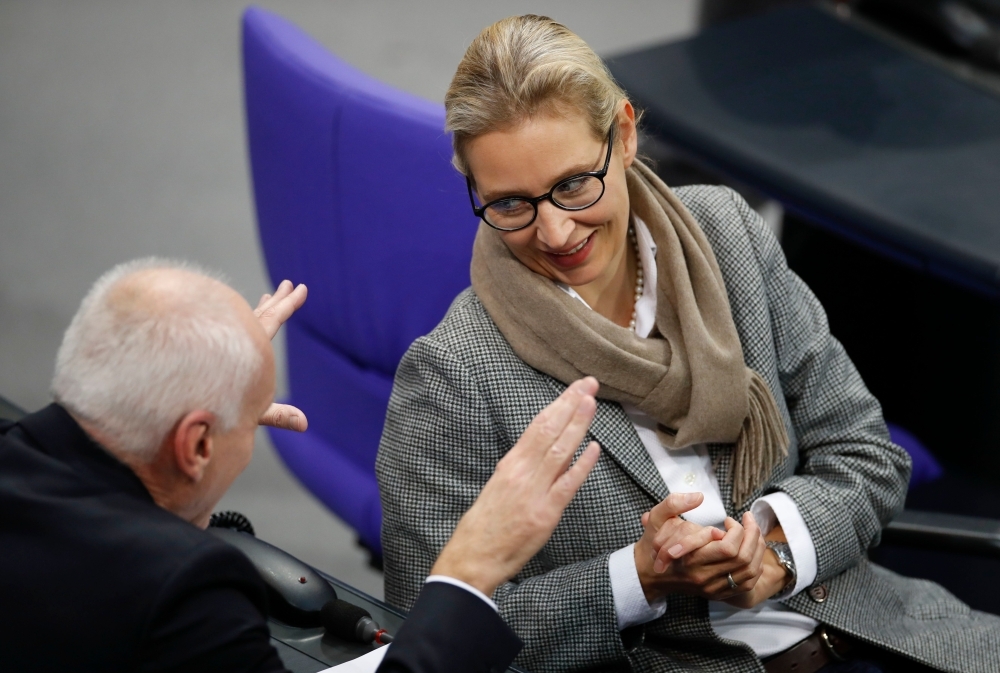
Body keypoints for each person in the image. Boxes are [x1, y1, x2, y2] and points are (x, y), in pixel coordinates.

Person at [375, 14, 1000, 673]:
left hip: (864, 628)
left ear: (624, 133)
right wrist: (635, 580)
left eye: (573, 185)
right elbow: (428, 641)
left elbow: (866, 456)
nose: (555, 232)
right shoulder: (452, 374)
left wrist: (778, 546)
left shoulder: (728, 236)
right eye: (509, 204)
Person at [0, 258, 633, 673]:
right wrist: (471, 568)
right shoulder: (185, 595)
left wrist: (203, 384)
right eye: (248, 424)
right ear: (195, 447)